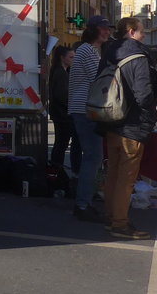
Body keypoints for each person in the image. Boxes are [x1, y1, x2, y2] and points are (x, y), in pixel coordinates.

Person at [101, 16, 157, 240]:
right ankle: (120, 223)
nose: (144, 35)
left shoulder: (109, 51)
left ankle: (110, 216)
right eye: (141, 31)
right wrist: (149, 117)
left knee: (113, 173)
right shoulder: (138, 55)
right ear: (131, 31)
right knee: (127, 178)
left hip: (110, 118)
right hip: (132, 123)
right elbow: (144, 93)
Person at [67, 15, 111, 222]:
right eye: (103, 28)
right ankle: (82, 204)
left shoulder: (89, 50)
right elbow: (101, 79)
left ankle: (85, 201)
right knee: (92, 157)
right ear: (93, 30)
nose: (107, 31)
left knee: (92, 157)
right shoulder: (87, 50)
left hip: (84, 109)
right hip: (86, 110)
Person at [47, 44, 79, 174]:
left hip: (60, 113)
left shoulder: (63, 71)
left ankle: (56, 168)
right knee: (61, 143)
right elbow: (61, 95)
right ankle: (56, 169)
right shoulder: (60, 73)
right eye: (71, 57)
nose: (73, 60)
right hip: (62, 114)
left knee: (61, 143)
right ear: (62, 58)